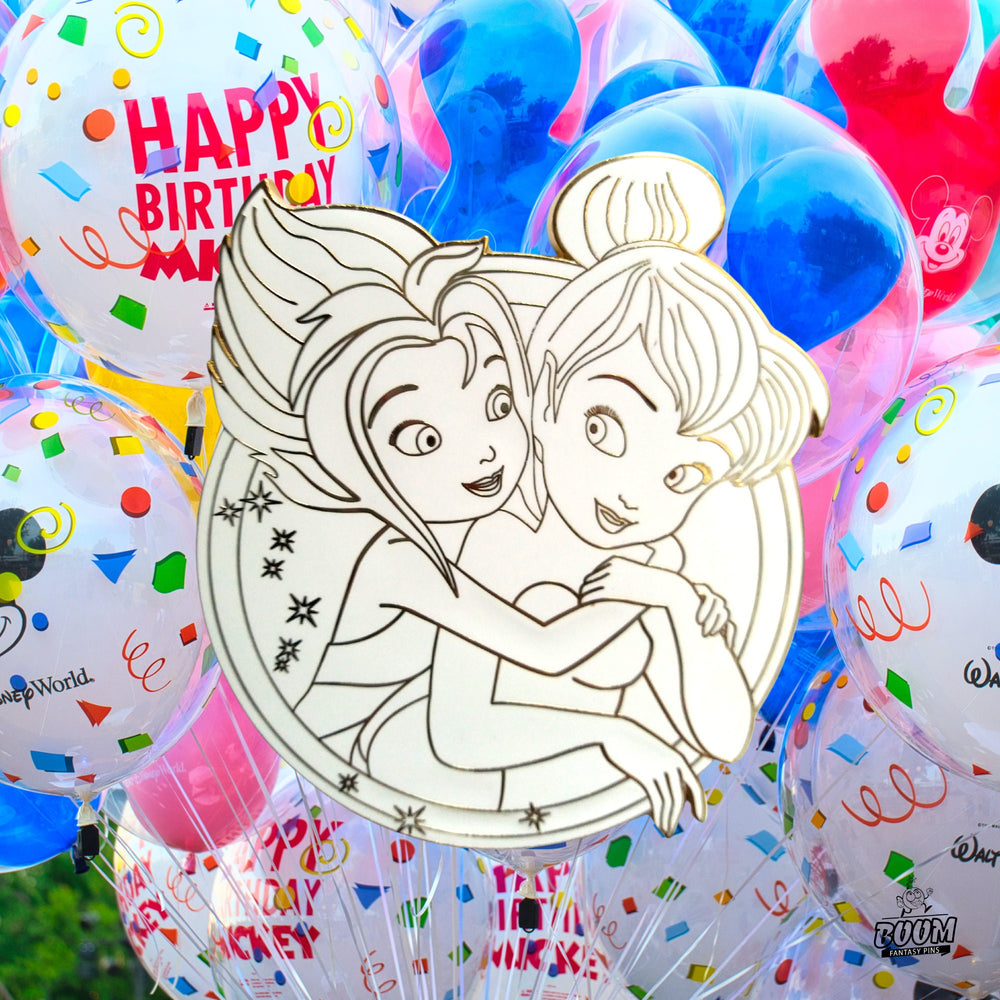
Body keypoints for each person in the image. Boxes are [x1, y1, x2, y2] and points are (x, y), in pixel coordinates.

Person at [210, 181, 707, 833]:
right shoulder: (399, 558)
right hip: (352, 782)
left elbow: (474, 707)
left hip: (398, 773)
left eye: (497, 403)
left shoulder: (465, 531)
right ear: (342, 453)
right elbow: (535, 660)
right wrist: (654, 599)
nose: (484, 451)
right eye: (423, 438)